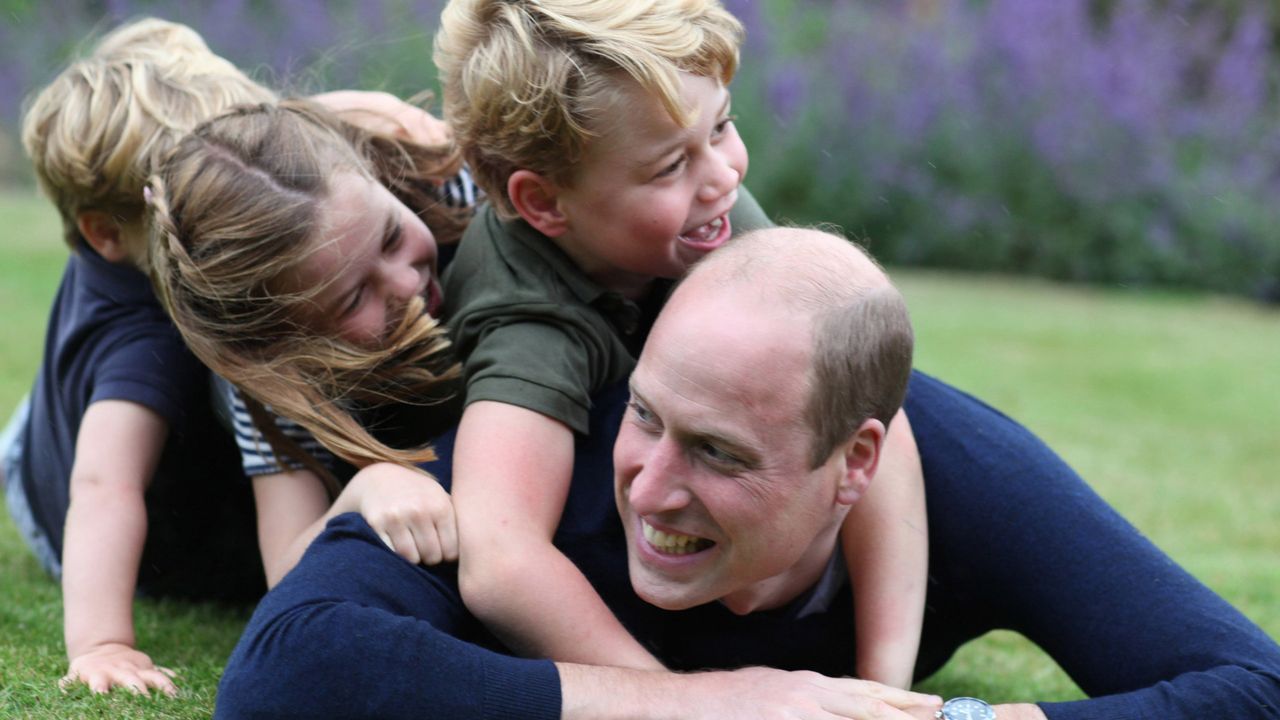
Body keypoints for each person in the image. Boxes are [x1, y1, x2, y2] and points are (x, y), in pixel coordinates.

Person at [213, 227, 1280, 719]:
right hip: (204, 471)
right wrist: (715, 704)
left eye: (719, 454)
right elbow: (284, 676)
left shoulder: (959, 472)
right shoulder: (541, 454)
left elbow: (1250, 687)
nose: (650, 486)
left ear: (855, 462)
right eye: (649, 417)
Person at [432, 0, 928, 684]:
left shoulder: (703, 207)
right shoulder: (528, 320)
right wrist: (680, 702)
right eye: (670, 166)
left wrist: (883, 688)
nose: (724, 175)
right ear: (545, 203)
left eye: (721, 126)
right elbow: (500, 561)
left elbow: (877, 417)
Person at [1, 17, 463, 697]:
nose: (229, 195)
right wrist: (102, 642)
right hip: (54, 496)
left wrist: (339, 115)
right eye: (190, 198)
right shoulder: (141, 336)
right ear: (113, 230)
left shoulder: (234, 198)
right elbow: (103, 489)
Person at [146, 99, 478, 588]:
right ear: (282, 340)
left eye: (390, 237)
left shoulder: (456, 188)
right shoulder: (275, 378)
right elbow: (284, 569)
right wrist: (364, 490)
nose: (406, 284)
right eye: (353, 298)